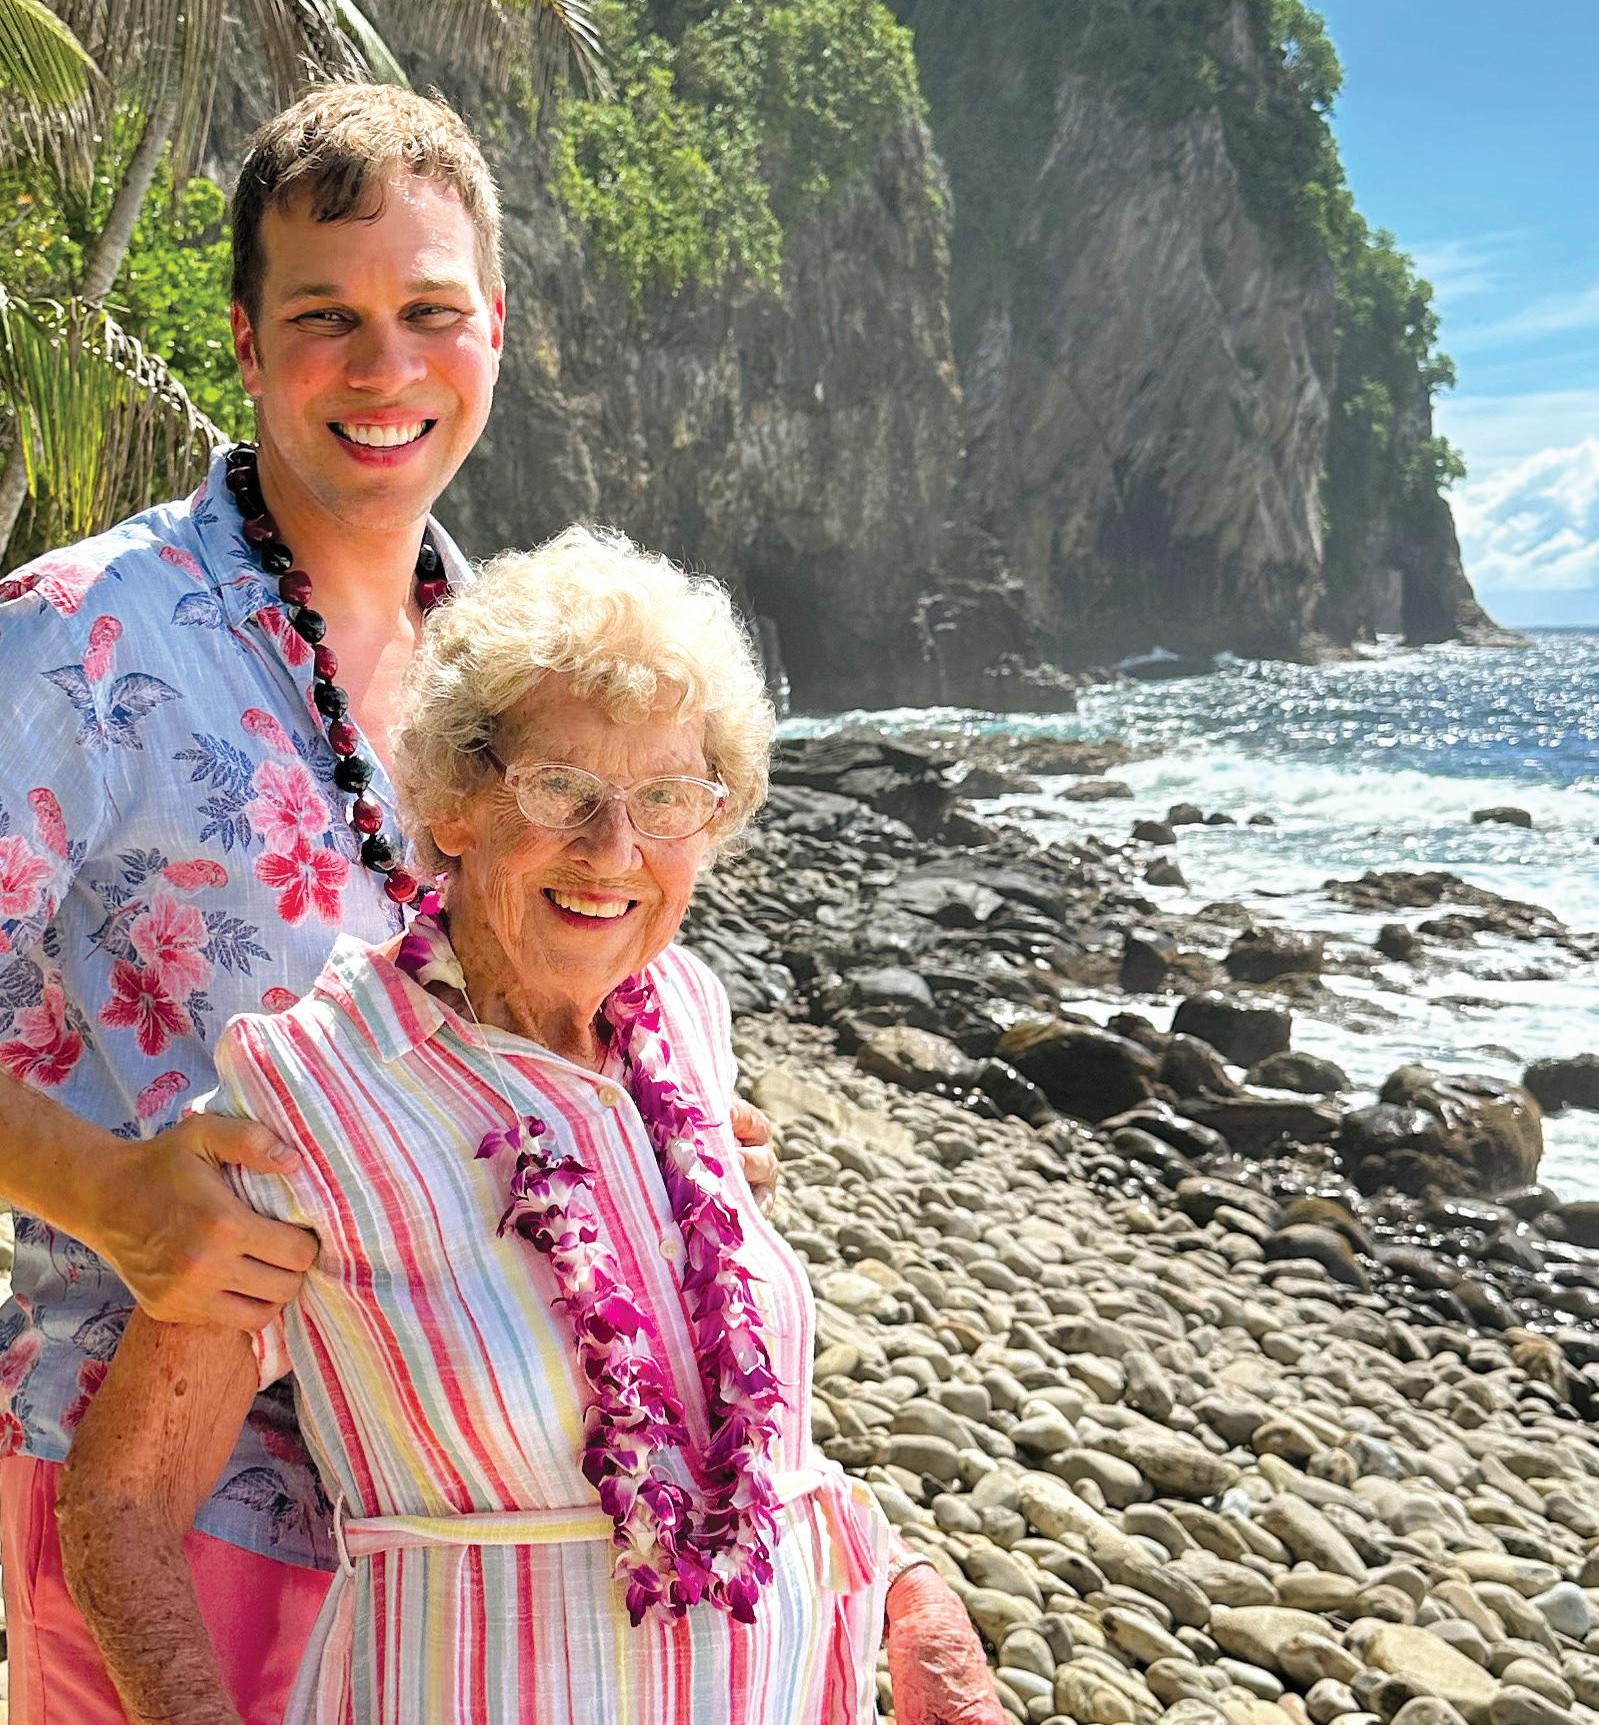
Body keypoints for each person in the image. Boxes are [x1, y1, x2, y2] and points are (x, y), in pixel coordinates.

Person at [0, 86, 777, 1721]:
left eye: (429, 311)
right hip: (178, 1514)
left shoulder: (514, 658)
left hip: (482, 1542)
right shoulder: (76, 639)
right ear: (243, 338)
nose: (384, 366)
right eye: (324, 317)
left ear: (494, 328)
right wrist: (106, 1190)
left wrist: (658, 1133)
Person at [56, 527, 1003, 1725]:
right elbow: (120, 1502)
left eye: (665, 798)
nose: (614, 849)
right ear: (454, 802)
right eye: (560, 789)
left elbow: (751, 1444)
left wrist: (911, 1593)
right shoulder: (312, 1090)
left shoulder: (684, 1018)